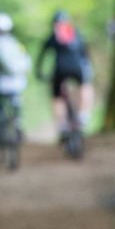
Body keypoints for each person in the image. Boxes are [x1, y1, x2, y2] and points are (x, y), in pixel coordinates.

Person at [36, 10, 94, 139]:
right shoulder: (76, 34)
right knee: (85, 86)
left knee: (57, 96)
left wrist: (39, 72)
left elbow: (42, 57)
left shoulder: (53, 36)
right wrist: (88, 69)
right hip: (78, 69)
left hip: (60, 70)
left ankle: (61, 124)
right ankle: (83, 115)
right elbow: (85, 54)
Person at [0, 12, 31, 152]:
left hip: (0, 84)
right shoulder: (16, 43)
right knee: (16, 104)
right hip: (18, 83)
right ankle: (17, 124)